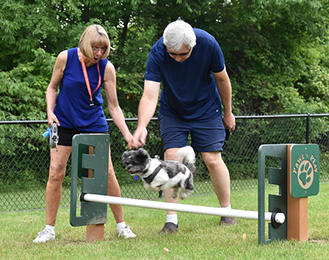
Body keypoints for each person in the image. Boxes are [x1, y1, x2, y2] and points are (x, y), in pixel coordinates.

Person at [33, 24, 136, 243]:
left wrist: (127, 133)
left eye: (103, 48)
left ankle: (122, 225)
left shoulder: (107, 68)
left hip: (94, 125)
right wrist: (50, 112)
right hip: (64, 122)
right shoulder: (65, 58)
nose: (99, 53)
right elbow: (52, 88)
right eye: (95, 48)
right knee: (56, 172)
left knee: (107, 174)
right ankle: (48, 230)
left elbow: (114, 106)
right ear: (85, 44)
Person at [132, 19, 236, 234]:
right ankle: (172, 221)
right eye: (173, 54)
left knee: (212, 158)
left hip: (207, 109)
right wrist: (142, 125)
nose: (177, 59)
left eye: (183, 54)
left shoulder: (208, 44)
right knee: (172, 158)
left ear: (193, 46)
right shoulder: (158, 52)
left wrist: (228, 112)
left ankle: (226, 212)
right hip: (173, 111)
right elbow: (150, 95)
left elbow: (222, 80)